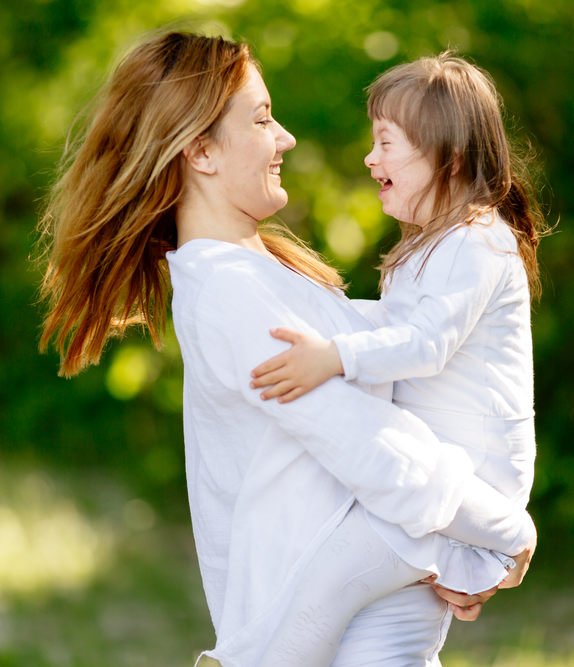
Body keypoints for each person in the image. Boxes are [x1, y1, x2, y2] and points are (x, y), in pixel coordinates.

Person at [36, 30, 535, 667]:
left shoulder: (272, 275)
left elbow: (406, 354)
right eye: (263, 118)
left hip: (384, 627)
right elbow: (372, 444)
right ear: (200, 151)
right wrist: (503, 529)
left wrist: (462, 542)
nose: (286, 138)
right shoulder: (227, 293)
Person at [249, 54, 546, 666]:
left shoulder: (475, 241)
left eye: (386, 143)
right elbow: (390, 324)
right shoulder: (430, 244)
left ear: (450, 159)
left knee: (320, 590)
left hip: (469, 481)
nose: (369, 159)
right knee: (383, 651)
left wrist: (332, 356)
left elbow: (425, 342)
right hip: (431, 477)